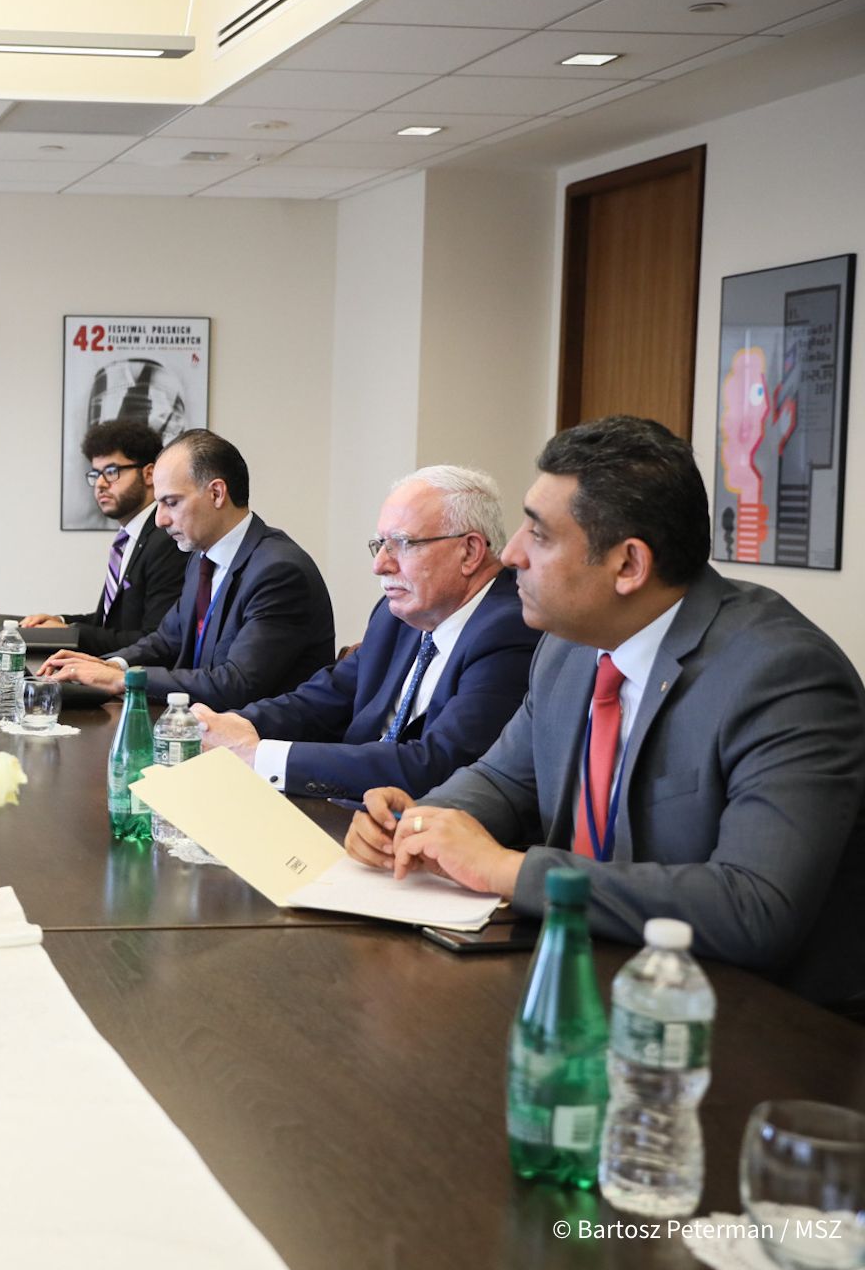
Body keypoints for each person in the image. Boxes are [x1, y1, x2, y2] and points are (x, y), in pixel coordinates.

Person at [348, 416, 865, 1010]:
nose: (510, 554)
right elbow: (503, 778)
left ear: (628, 566)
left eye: (539, 535)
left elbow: (754, 907)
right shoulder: (568, 645)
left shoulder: (784, 676)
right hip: (589, 975)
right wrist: (418, 824)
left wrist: (506, 871)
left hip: (752, 1018)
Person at [189, 466, 539, 800]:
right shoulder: (396, 615)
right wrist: (232, 725)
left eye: (402, 543)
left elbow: (438, 764)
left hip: (421, 823)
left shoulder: (509, 631)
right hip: (350, 806)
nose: (379, 564)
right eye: (381, 544)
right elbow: (327, 697)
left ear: (470, 551)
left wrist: (260, 756)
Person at [39, 429, 334, 710]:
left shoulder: (279, 572)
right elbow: (167, 639)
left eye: (171, 503)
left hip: (261, 738)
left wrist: (122, 679)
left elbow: (236, 684)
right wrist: (110, 665)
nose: (160, 520)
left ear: (216, 493)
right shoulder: (201, 557)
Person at [22, 419, 188, 655]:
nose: (100, 484)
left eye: (111, 472)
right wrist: (60, 622)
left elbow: (155, 639)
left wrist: (69, 633)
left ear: (149, 474)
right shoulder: (128, 538)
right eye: (96, 473)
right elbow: (111, 622)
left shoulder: (166, 540)